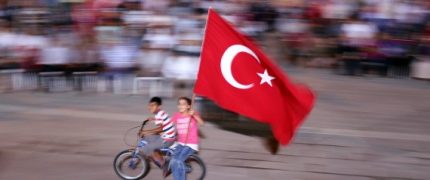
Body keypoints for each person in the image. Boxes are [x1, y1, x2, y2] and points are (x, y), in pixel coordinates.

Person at [169, 97, 204, 180]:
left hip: (191, 144)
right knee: (173, 162)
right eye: (179, 104)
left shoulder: (192, 114)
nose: (180, 106)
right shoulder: (177, 115)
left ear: (188, 106)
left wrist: (194, 115)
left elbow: (201, 123)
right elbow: (169, 125)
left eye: (183, 104)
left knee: (179, 160)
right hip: (181, 143)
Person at [138, 96, 176, 167]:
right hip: (168, 136)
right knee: (147, 138)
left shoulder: (159, 115)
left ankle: (164, 165)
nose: (151, 107)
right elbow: (162, 121)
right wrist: (153, 118)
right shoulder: (161, 112)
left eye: (153, 105)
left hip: (167, 139)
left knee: (149, 148)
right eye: (150, 105)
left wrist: (145, 131)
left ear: (159, 106)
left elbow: (160, 129)